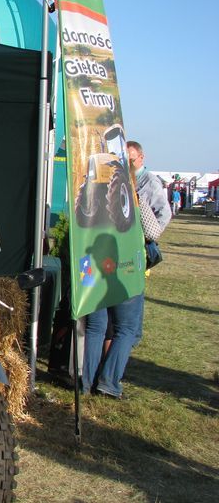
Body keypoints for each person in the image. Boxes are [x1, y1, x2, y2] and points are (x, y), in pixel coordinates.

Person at [82, 141, 171, 398]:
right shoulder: (135, 196)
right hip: (125, 268)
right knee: (127, 329)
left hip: (97, 265)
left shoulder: (94, 193)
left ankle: (86, 382)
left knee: (96, 326)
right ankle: (108, 381)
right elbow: (154, 231)